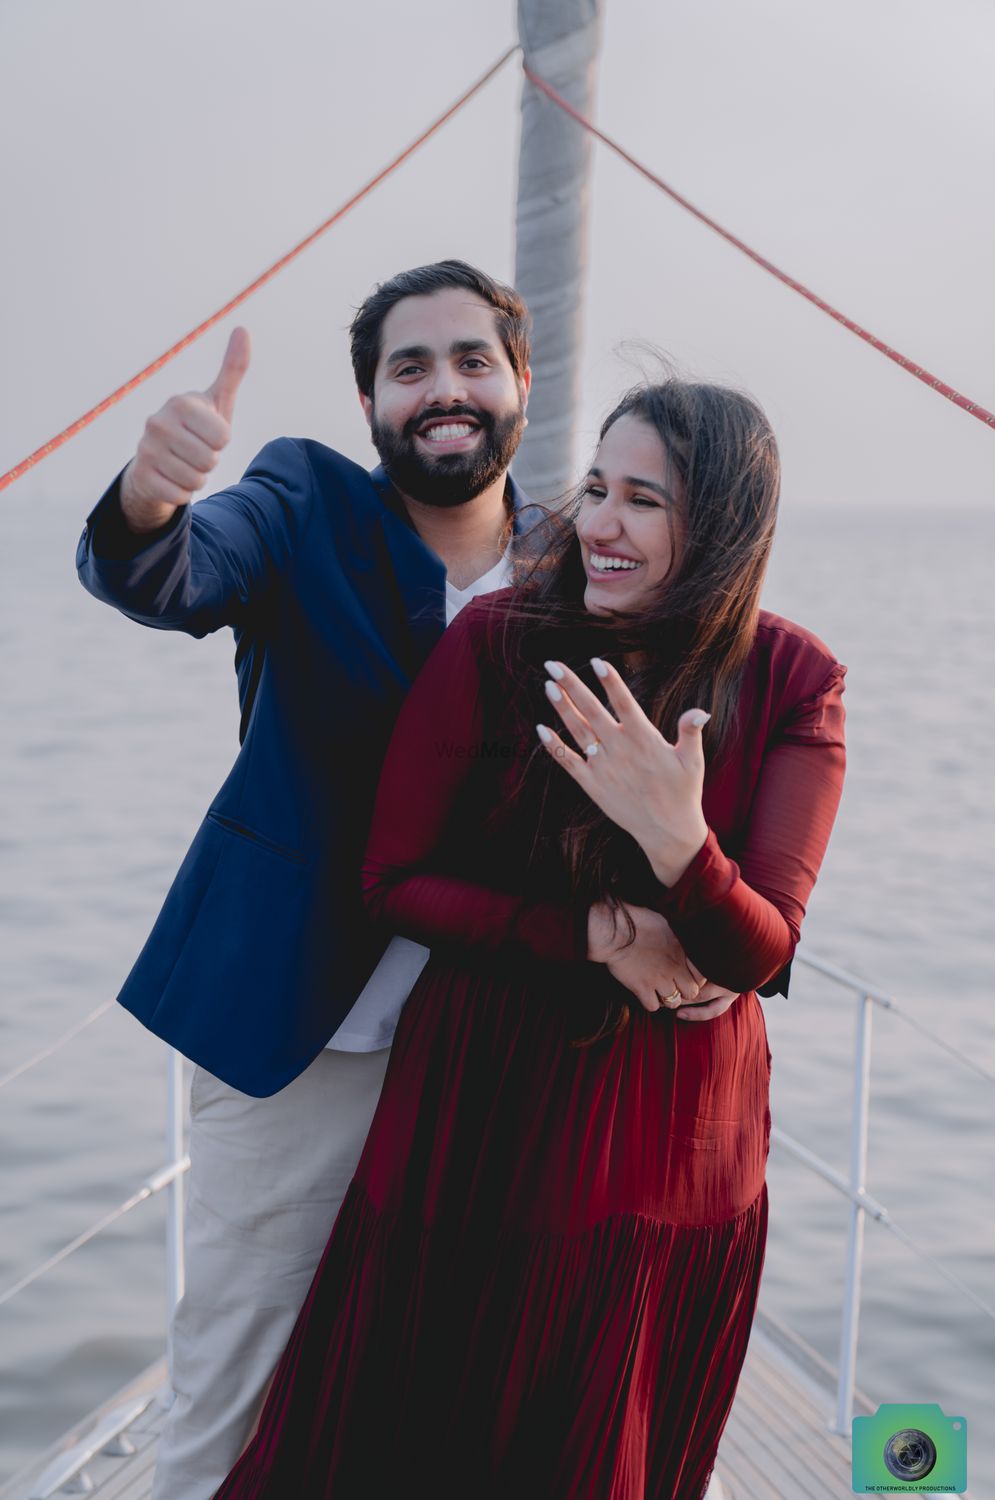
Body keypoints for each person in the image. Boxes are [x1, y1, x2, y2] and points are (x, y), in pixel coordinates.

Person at [213, 378, 847, 1499]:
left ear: (726, 526)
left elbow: (758, 950)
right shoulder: (500, 642)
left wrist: (678, 840)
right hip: (482, 1117)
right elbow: (392, 881)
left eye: (643, 500)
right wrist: (593, 932)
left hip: (671, 1153)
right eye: (597, 487)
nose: (598, 522)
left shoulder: (797, 681)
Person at [75, 259, 573, 1499]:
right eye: (410, 367)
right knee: (237, 1363)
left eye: (472, 360)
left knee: (456, 1367)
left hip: (499, 1044)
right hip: (301, 1031)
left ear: (520, 383)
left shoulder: (572, 568)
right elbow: (174, 572)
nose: (442, 388)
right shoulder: (300, 502)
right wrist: (151, 498)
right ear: (370, 407)